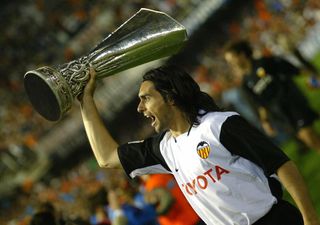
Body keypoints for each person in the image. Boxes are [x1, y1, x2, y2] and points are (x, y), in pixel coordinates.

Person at [79, 65, 320, 225]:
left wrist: (309, 217)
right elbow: (106, 157)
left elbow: (281, 164)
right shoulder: (165, 148)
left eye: (146, 98)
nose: (140, 108)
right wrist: (85, 100)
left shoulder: (219, 125)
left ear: (171, 97)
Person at [224, 40, 320, 153]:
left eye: (231, 60)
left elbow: (293, 70)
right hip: (281, 115)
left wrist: (314, 77)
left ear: (242, 55)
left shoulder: (265, 63)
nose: (231, 64)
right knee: (310, 141)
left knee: (309, 136)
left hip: (292, 103)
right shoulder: (246, 84)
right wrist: (266, 122)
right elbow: (260, 104)